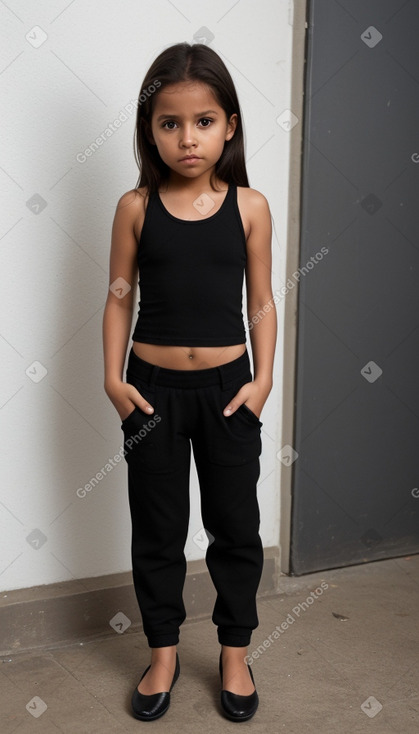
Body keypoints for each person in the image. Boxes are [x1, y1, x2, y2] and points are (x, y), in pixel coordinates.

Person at [102, 42, 276, 723]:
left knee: (234, 526)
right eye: (169, 123)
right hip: (149, 393)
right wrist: (114, 382)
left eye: (202, 121)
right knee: (158, 526)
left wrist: (261, 383)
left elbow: (261, 300)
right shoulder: (135, 205)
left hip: (230, 391)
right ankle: (164, 652)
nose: (187, 137)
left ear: (228, 124)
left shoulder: (250, 206)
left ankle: (234, 652)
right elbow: (119, 294)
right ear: (150, 130)